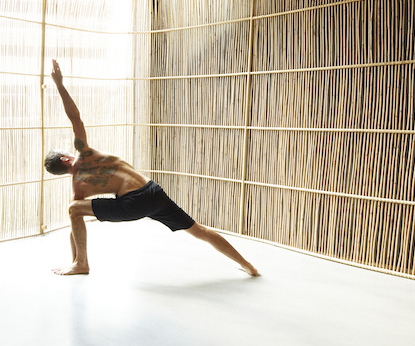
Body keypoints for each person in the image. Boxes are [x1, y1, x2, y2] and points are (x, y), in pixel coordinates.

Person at [44, 59, 259, 277]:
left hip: (134, 203)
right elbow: (75, 118)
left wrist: (75, 258)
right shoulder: (84, 152)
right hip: (153, 192)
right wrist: (60, 84)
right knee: (199, 230)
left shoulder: (79, 188)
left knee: (73, 209)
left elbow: (75, 222)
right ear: (64, 158)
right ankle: (248, 265)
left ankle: (81, 263)